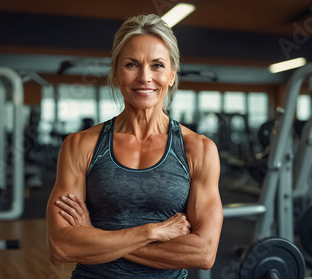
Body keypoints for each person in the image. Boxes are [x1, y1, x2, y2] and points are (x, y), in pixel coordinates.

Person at [46, 14, 223, 279]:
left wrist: (95, 236)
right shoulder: (80, 145)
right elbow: (61, 246)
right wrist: (151, 232)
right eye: (132, 64)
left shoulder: (199, 150)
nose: (144, 77)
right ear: (117, 72)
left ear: (172, 75)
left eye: (157, 65)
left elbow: (202, 254)